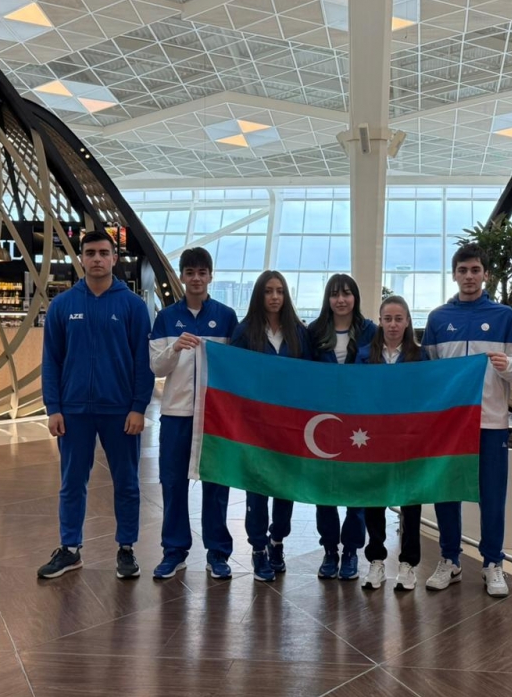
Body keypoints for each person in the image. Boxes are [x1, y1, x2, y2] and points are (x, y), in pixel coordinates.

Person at [37, 230, 154, 580]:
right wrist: (53, 408)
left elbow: (143, 361)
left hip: (120, 410)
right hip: (74, 411)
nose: (97, 259)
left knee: (127, 482)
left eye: (104, 252)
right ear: (81, 259)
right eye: (90, 253)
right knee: (72, 482)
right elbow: (51, 360)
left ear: (115, 258)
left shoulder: (132, 306)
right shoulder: (62, 305)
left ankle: (126, 548)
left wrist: (139, 407)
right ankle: (70, 548)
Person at [421, 242, 512, 595]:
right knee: (446, 492)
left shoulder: (504, 317)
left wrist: (508, 365)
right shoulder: (438, 319)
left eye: (475, 270)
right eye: (463, 270)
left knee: (492, 495)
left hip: (491, 423)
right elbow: (428, 371)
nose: (469, 276)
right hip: (449, 425)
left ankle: (493, 563)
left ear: (486, 274)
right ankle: (449, 559)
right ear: (454, 275)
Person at [149, 247, 238, 580]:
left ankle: (218, 552)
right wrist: (174, 348)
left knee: (216, 484)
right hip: (176, 414)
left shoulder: (226, 317)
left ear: (210, 276)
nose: (196, 279)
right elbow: (156, 368)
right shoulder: (166, 317)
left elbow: (237, 367)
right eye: (190, 272)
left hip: (215, 417)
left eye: (202, 272)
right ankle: (174, 551)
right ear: (182, 276)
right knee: (173, 483)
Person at [230, 270, 311, 583]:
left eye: (279, 291)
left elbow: (309, 376)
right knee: (258, 488)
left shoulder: (299, 333)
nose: (275, 297)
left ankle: (277, 540)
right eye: (268, 291)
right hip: (256, 427)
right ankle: (258, 548)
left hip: (289, 427)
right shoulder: (244, 332)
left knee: (285, 487)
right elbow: (234, 376)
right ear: (259, 296)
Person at [307, 273, 377, 581]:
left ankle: (350, 550)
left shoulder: (370, 331)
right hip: (322, 424)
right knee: (325, 490)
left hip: (359, 424)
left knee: (356, 489)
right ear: (328, 299)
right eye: (335, 294)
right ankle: (329, 549)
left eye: (347, 293)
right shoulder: (313, 332)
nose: (341, 300)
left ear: (355, 298)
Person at [355, 295, 426, 591]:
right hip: (374, 438)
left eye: (399, 319)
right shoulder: (364, 355)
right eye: (388, 319)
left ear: (407, 321)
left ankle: (408, 564)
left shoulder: (420, 356)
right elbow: (356, 394)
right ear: (380, 321)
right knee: (375, 499)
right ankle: (376, 560)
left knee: (410, 501)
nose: (393, 324)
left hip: (409, 439)